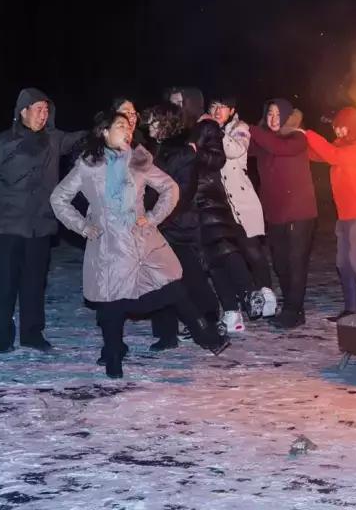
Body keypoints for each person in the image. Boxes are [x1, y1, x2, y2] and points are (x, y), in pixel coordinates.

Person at [49, 112, 228, 379]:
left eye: (128, 127)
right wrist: (83, 226)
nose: (127, 131)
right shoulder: (88, 165)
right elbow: (58, 198)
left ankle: (207, 335)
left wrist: (153, 217)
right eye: (119, 126)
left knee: (172, 287)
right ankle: (112, 356)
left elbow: (170, 188)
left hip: (141, 241)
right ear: (104, 133)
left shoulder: (139, 160)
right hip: (108, 244)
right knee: (111, 303)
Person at [0, 88, 86, 353]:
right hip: (7, 225)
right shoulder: (1, 143)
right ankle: (1, 337)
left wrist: (106, 128)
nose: (43, 115)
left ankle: (32, 334)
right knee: (4, 284)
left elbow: (80, 140)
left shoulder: (54, 140)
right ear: (23, 111)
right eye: (38, 110)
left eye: (47, 110)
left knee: (34, 284)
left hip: (40, 226)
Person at [142, 104, 221, 350]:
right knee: (159, 279)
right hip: (156, 224)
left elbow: (183, 192)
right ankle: (166, 334)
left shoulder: (183, 153)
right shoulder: (152, 150)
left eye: (155, 120)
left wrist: (158, 217)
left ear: (167, 123)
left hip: (177, 224)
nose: (150, 125)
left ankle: (208, 319)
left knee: (188, 275)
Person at [298, 106, 356, 321]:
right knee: (343, 263)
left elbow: (332, 155)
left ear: (354, 128)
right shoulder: (340, 146)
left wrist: (307, 133)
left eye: (343, 128)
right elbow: (317, 153)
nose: (338, 132)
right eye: (336, 128)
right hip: (346, 215)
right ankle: (352, 308)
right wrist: (295, 139)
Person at [249, 98, 317, 328]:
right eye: (270, 114)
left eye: (278, 115)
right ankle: (293, 306)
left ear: (287, 116)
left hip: (300, 211)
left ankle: (292, 310)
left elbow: (278, 148)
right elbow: (239, 148)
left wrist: (249, 129)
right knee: (280, 263)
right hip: (274, 212)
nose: (274, 119)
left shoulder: (297, 137)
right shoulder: (262, 141)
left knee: (296, 261)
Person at [208, 94, 277, 317]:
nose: (217, 111)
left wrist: (216, 130)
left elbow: (235, 150)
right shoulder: (208, 130)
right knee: (229, 255)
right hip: (218, 204)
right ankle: (241, 300)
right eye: (213, 107)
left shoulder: (240, 128)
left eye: (222, 107)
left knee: (252, 251)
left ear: (232, 110)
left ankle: (267, 296)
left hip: (241, 201)